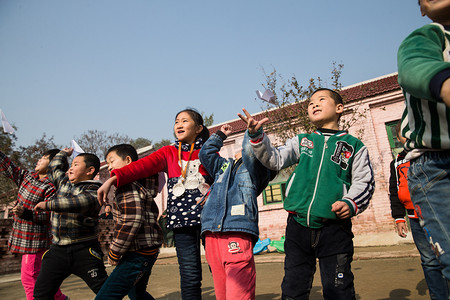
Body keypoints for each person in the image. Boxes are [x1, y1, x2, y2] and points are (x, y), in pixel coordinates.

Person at [238, 88, 375, 300]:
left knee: (338, 290)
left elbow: (364, 181)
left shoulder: (355, 146)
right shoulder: (302, 141)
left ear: (339, 108)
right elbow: (275, 159)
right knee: (293, 288)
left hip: (334, 229)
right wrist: (257, 136)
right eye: (310, 102)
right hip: (297, 227)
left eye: (321, 99)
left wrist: (350, 202)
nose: (314, 104)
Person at [98, 108, 212, 300]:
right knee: (190, 276)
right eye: (176, 121)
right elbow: (140, 166)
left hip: (211, 220)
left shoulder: (209, 151)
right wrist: (112, 179)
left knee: (218, 268)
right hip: (182, 224)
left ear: (199, 128)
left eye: (185, 121)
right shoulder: (168, 152)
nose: (179, 125)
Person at [397, 0, 450, 280]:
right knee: (438, 259)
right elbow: (414, 67)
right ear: (422, 9)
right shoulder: (427, 37)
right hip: (437, 166)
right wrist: (444, 84)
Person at [199, 124, 276, 300]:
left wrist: (253, 134)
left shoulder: (256, 171)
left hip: (236, 230)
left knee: (238, 294)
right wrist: (219, 136)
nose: (240, 148)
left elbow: (251, 154)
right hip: (212, 232)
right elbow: (205, 155)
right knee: (222, 294)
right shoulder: (224, 167)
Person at [33, 148, 108, 299]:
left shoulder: (95, 189)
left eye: (75, 165)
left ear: (90, 170)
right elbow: (54, 167)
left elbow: (77, 203)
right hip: (57, 251)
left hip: (84, 250)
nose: (71, 168)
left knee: (104, 291)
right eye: (71, 165)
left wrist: (48, 205)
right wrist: (63, 153)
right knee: (41, 293)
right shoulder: (64, 183)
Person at [389, 121, 448, 300]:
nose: (407, 137)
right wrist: (399, 218)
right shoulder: (397, 162)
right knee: (429, 261)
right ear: (398, 138)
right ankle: (439, 296)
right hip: (414, 218)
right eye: (403, 134)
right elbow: (394, 190)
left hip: (437, 213)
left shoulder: (430, 155)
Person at [95, 144, 163, 299]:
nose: (109, 166)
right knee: (137, 294)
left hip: (136, 253)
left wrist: (115, 251)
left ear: (128, 160)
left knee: (105, 297)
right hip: (146, 249)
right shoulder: (140, 184)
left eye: (112, 161)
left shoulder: (127, 184)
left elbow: (132, 219)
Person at [0, 149, 67, 300]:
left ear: (52, 164)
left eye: (43, 158)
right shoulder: (28, 177)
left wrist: (26, 213)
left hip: (36, 241)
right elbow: (10, 168)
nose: (39, 160)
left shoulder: (52, 187)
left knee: (29, 278)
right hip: (23, 236)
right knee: (43, 278)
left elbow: (50, 214)